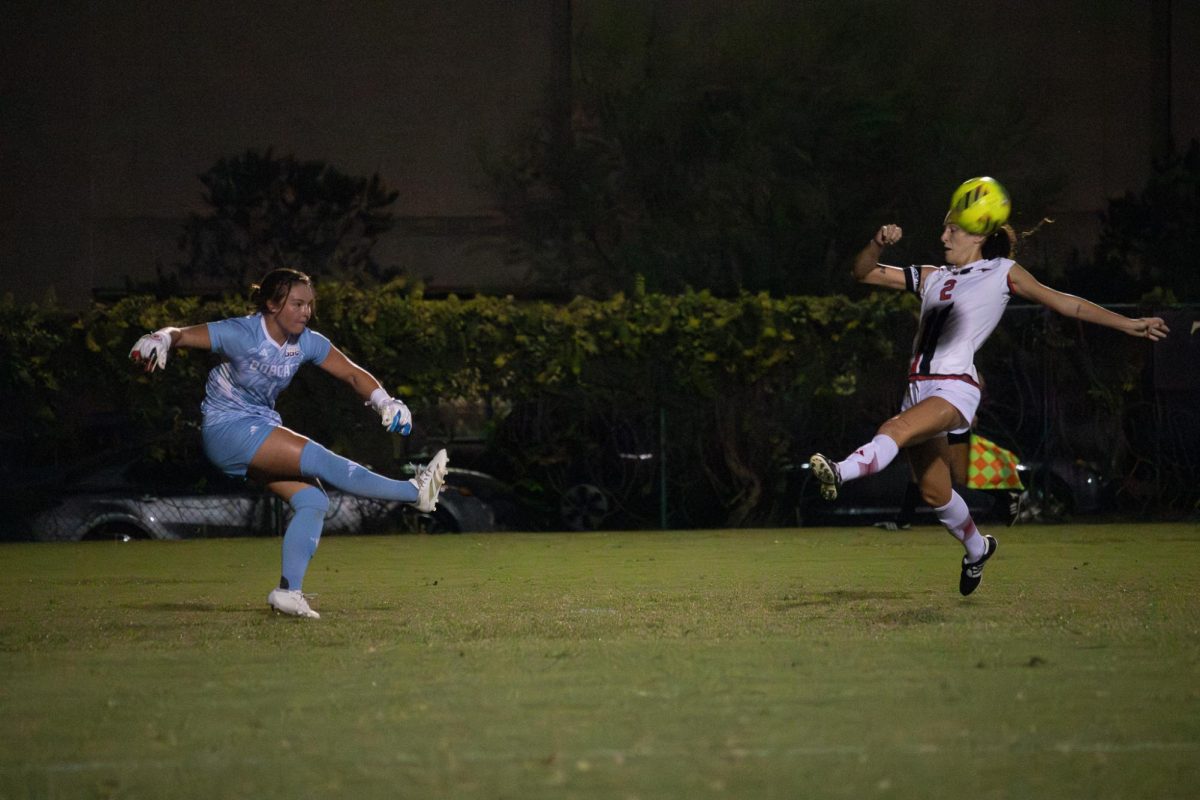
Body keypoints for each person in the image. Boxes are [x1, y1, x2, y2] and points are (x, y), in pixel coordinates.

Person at [810, 179, 1169, 595]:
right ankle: (978, 547)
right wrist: (877, 241)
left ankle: (841, 471)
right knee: (934, 491)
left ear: (978, 235)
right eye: (945, 228)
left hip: (954, 387)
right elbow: (863, 272)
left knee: (895, 429)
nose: (944, 236)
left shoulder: (1001, 272)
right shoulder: (931, 276)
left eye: (953, 230)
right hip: (917, 388)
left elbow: (1063, 301)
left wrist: (1128, 323)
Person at [129, 268, 448, 619]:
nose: (305, 312)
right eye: (297, 304)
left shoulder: (306, 342)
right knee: (321, 460)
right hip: (228, 430)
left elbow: (353, 374)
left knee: (312, 500)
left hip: (259, 426)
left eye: (309, 304)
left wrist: (385, 401)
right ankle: (414, 492)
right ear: (271, 304)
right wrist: (159, 337)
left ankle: (288, 592)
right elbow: (182, 335)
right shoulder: (241, 333)